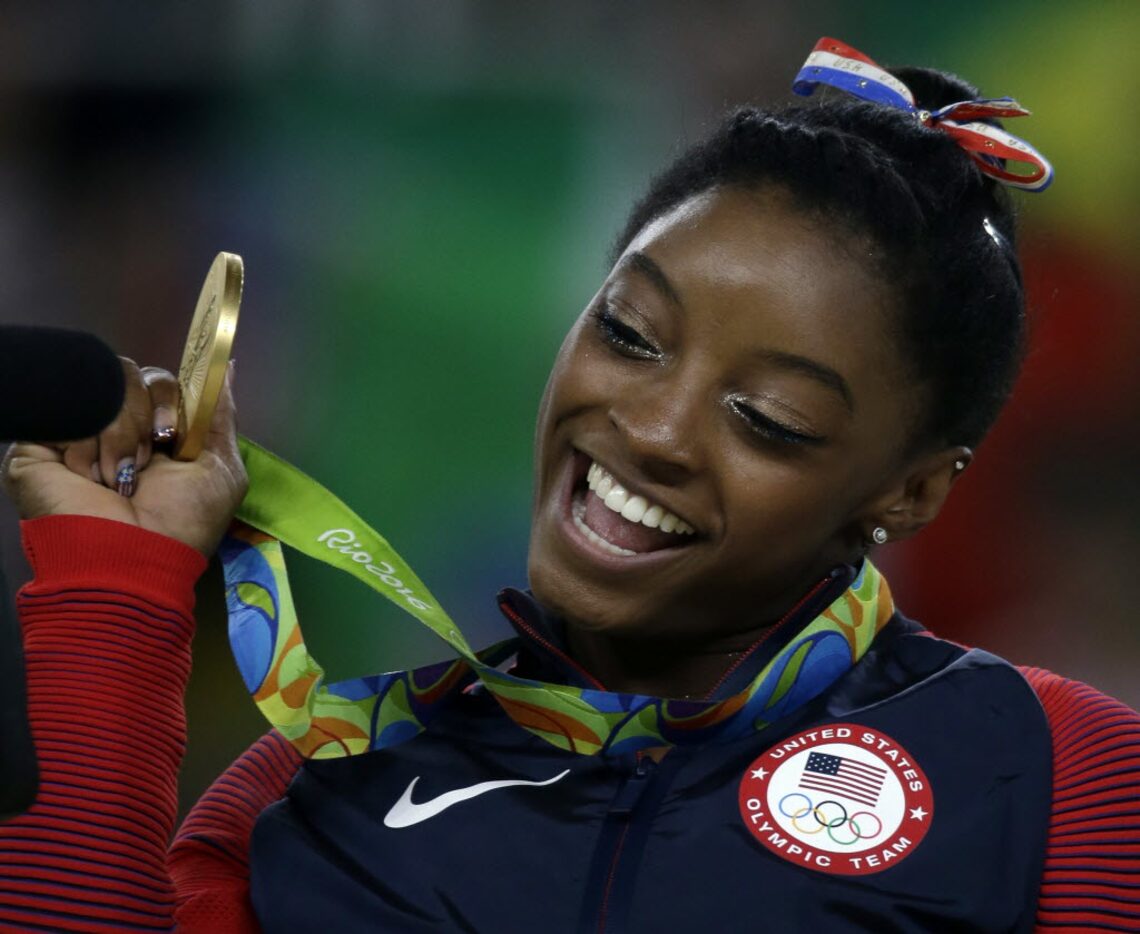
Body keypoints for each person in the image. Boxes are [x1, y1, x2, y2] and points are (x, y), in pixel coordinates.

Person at [1, 38, 1138, 933]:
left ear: (914, 491)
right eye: (632, 334)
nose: (649, 428)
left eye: (766, 419)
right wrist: (120, 589)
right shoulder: (313, 792)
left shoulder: (1057, 782)